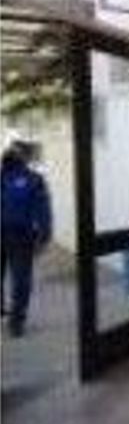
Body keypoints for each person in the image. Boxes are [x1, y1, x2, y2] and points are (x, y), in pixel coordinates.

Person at [1, 140, 52, 337]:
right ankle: (16, 322)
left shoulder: (29, 179)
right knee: (21, 279)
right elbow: (43, 209)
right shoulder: (34, 179)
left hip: (16, 234)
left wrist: (44, 234)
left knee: (21, 279)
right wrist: (44, 236)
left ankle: (12, 318)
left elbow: (42, 208)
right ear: (26, 158)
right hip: (20, 236)